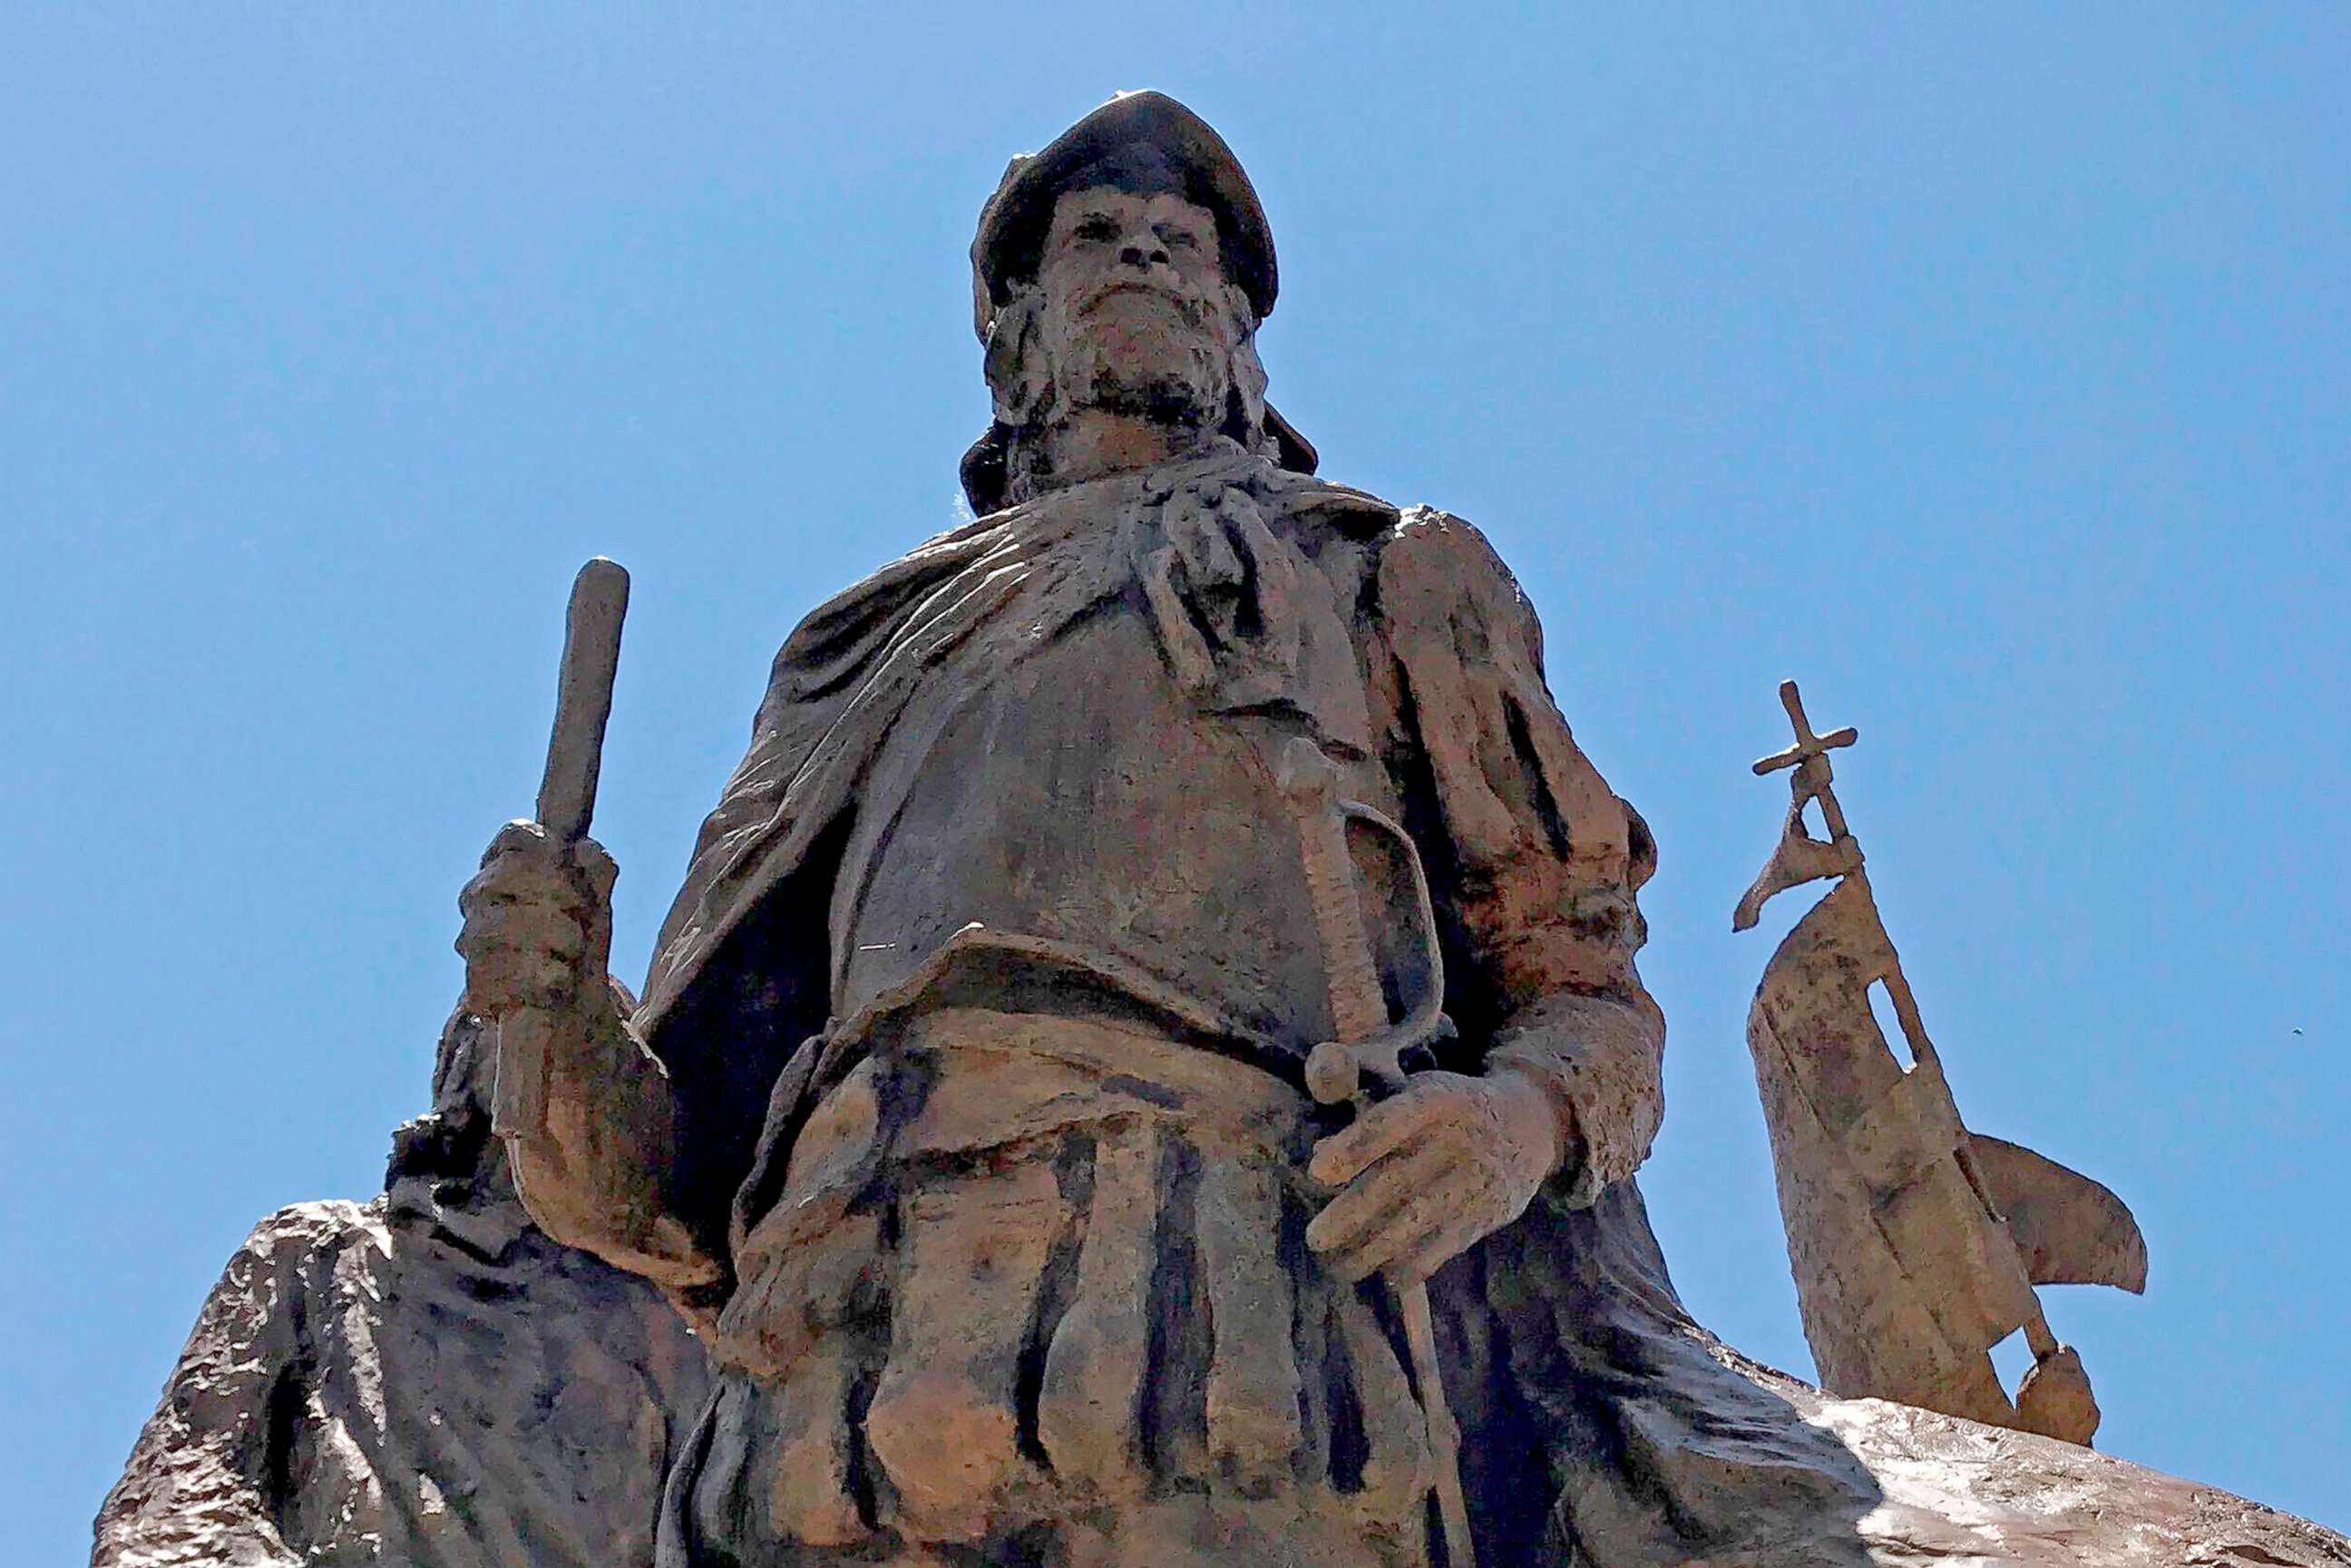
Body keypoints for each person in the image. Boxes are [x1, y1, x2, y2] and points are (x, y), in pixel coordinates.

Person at [458, 92, 1886, 1568]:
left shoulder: (1382, 575)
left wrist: (1512, 1125)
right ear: (1012, 338)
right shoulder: (860, 649)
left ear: (1240, 337)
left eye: (1182, 244)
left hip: (1240, 1341)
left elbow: (1588, 996)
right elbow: (663, 1197)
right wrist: (547, 1016)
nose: (1143, 251)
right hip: (839, 1377)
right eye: (1094, 239)